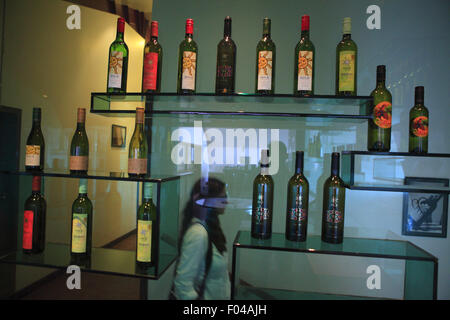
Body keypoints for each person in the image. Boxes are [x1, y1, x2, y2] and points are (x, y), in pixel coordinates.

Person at [170, 177, 231, 300]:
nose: (226, 201)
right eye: (222, 197)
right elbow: (183, 284)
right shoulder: (198, 234)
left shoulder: (212, 227)